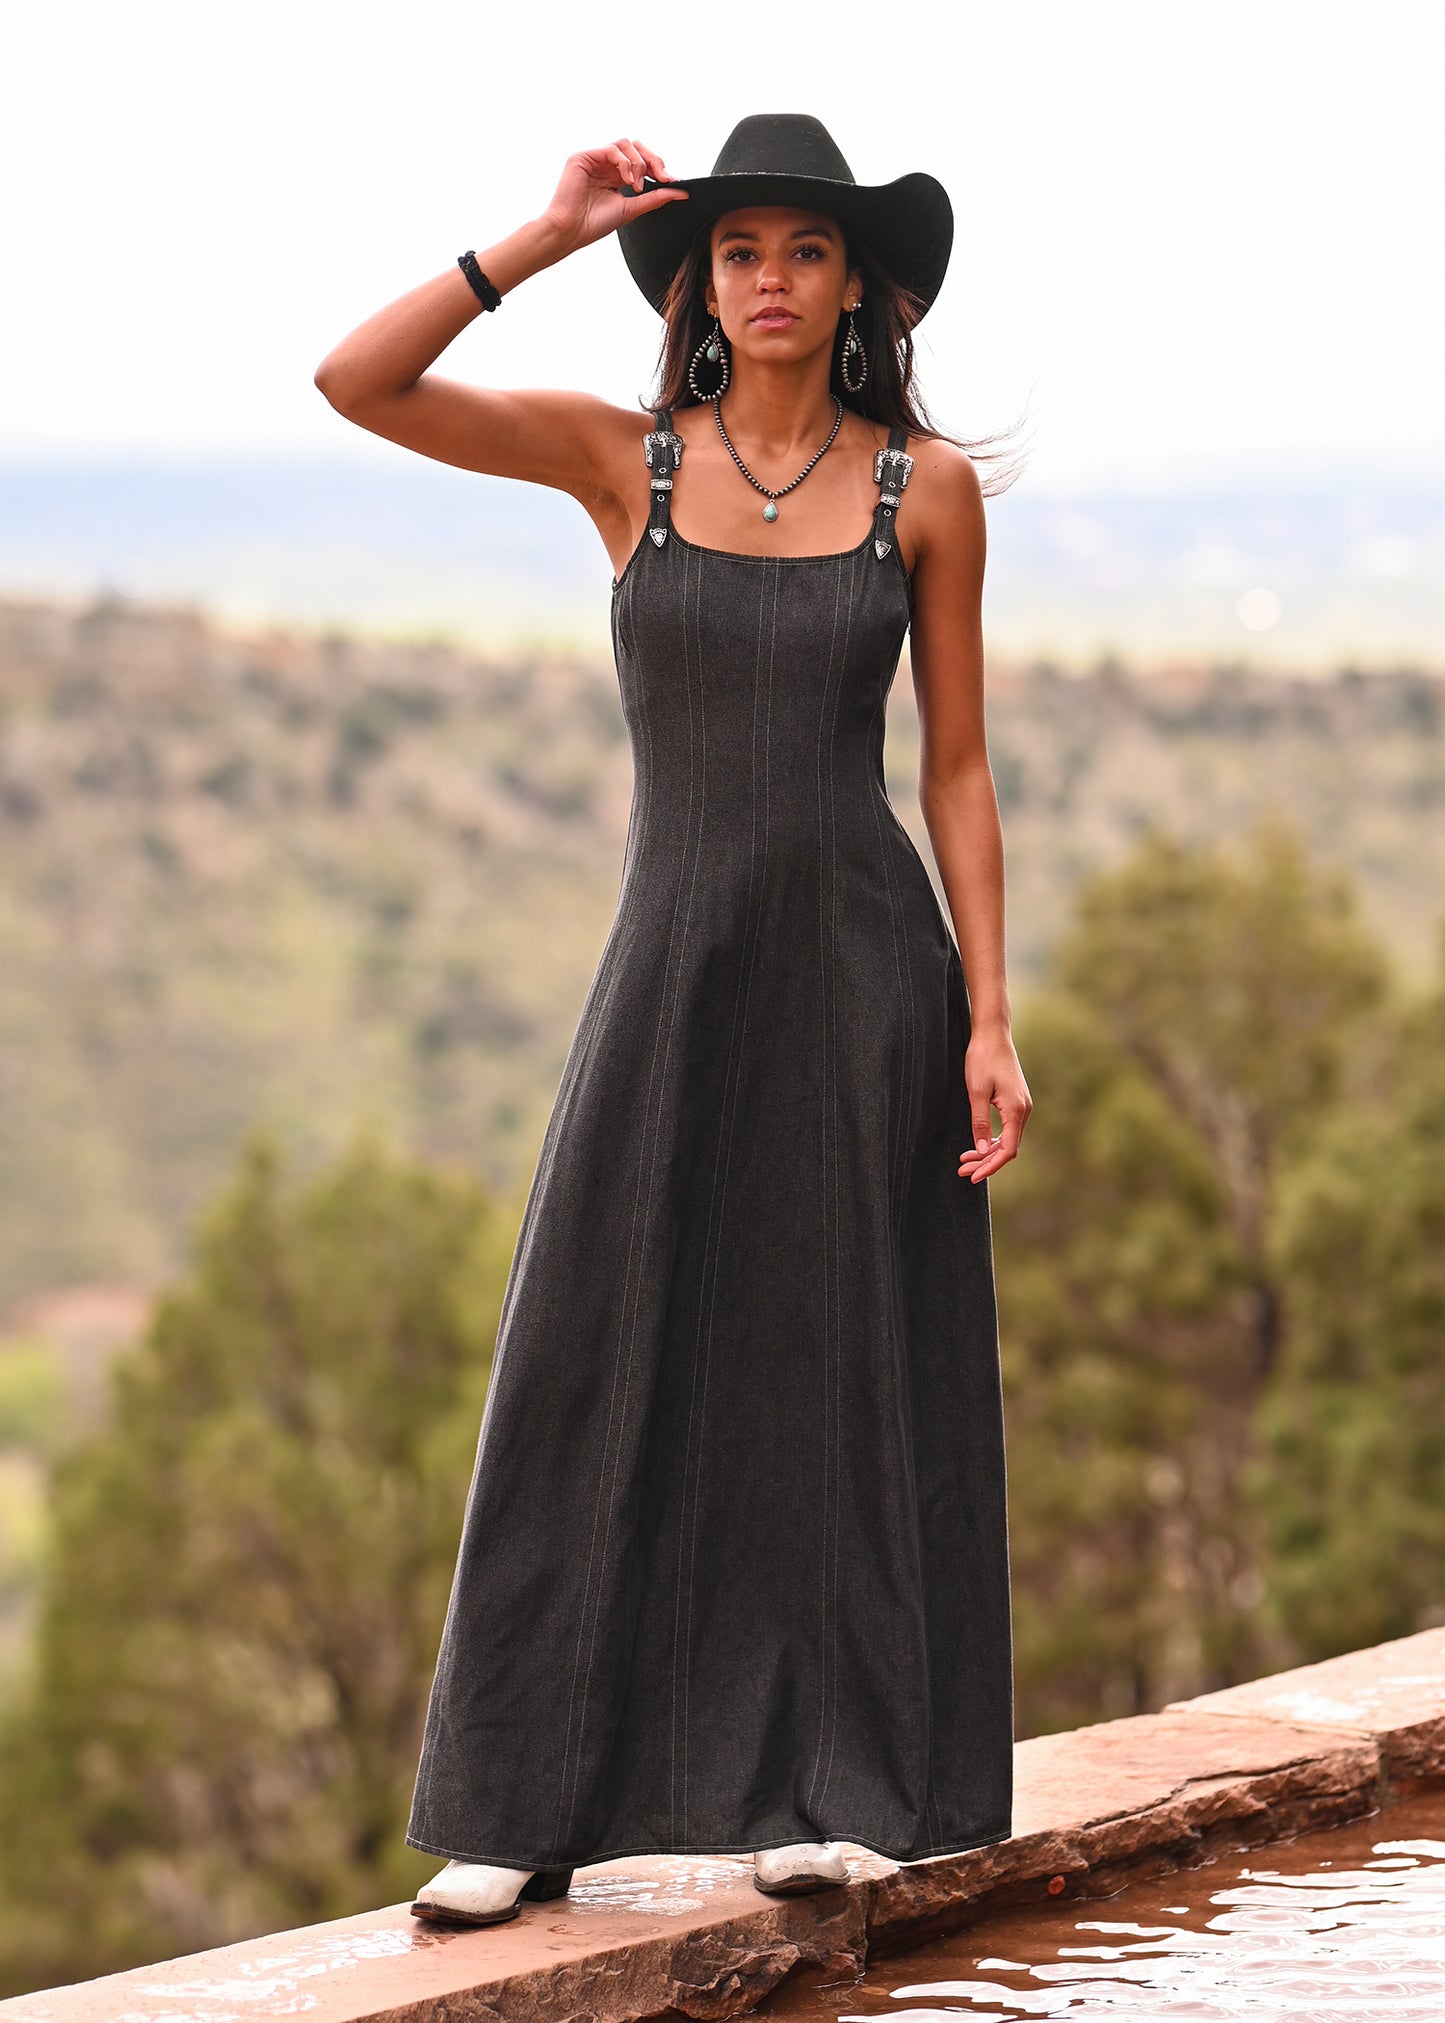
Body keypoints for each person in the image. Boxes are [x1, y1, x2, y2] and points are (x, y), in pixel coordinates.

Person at [313, 112, 1032, 1928]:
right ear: (698, 285)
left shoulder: (922, 490)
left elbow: (954, 769)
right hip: (672, 966)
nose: (769, 278)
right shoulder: (620, 460)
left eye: (804, 248)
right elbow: (356, 382)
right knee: (589, 1356)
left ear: (857, 283)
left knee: (833, 1371)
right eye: (737, 250)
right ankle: (521, 1803)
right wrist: (541, 236)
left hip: (866, 979)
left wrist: (988, 1015)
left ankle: (826, 1782)